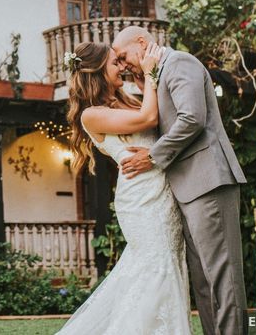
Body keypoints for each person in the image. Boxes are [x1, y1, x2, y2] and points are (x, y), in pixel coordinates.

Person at [114, 26, 248, 335]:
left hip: (209, 181)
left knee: (223, 277)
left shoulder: (179, 63)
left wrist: (152, 156)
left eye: (123, 57)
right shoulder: (154, 75)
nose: (122, 66)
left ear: (142, 43)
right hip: (184, 189)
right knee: (201, 281)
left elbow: (192, 118)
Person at [56, 40, 192, 334]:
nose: (121, 67)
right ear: (96, 70)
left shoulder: (127, 97)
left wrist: (146, 79)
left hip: (164, 193)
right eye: (115, 63)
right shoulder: (91, 114)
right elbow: (149, 118)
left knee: (167, 264)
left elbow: (160, 121)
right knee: (156, 267)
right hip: (141, 200)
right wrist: (151, 74)